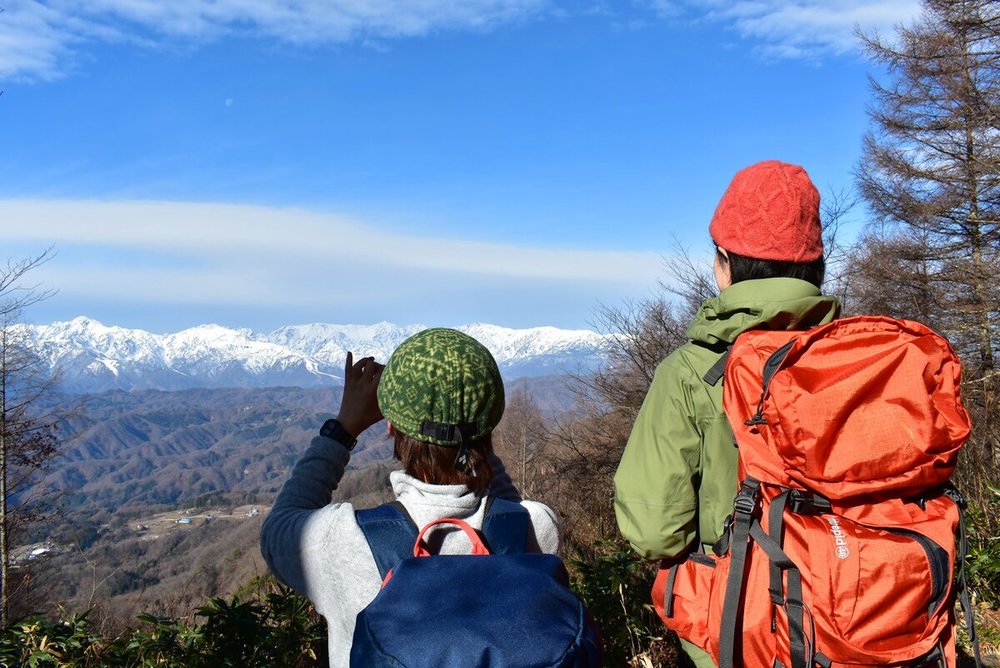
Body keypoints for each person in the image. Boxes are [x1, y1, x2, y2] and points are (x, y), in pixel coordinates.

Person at [613, 160, 841, 668]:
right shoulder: (861, 360)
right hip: (867, 617)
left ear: (723, 265)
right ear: (816, 269)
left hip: (747, 630)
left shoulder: (692, 372)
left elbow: (654, 531)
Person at [260, 327, 560, 668]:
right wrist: (467, 432)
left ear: (392, 428)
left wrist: (343, 429)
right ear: (489, 425)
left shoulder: (342, 541)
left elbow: (278, 527)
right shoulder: (537, 527)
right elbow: (505, 505)